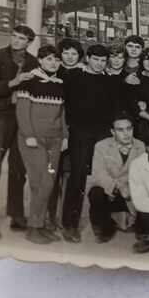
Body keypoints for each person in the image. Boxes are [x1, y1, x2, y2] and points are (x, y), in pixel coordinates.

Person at [48, 43, 119, 242]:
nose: (99, 63)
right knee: (77, 177)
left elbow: (115, 108)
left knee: (103, 177)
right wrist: (65, 133)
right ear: (88, 58)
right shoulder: (73, 76)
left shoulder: (111, 81)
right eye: (96, 59)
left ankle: (101, 223)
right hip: (79, 132)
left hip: (103, 133)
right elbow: (62, 105)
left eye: (103, 60)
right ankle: (70, 225)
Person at [0, 25, 38, 238]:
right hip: (0, 119)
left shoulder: (33, 62)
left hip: (21, 120)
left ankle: (16, 216)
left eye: (22, 39)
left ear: (29, 42)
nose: (16, 41)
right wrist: (13, 83)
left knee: (18, 170)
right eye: (14, 36)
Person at [14, 44, 68, 244]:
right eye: (49, 59)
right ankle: (33, 228)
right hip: (34, 140)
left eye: (57, 59)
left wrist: (64, 136)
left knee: (49, 182)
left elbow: (62, 114)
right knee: (42, 182)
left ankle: (39, 225)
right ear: (40, 60)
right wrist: (28, 135)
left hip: (55, 142)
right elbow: (22, 111)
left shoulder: (60, 83)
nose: (53, 63)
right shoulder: (29, 81)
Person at [87, 113, 146, 243]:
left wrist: (128, 189)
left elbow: (141, 174)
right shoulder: (101, 146)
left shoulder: (140, 146)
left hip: (130, 192)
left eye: (129, 129)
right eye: (120, 130)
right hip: (110, 192)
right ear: (112, 132)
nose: (126, 134)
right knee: (95, 192)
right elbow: (99, 173)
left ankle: (141, 226)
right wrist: (117, 187)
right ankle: (103, 228)